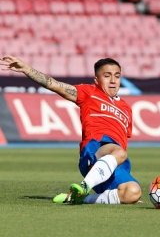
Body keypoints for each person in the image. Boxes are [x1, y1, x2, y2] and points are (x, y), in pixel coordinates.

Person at [0, 56, 142, 205]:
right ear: (96, 79)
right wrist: (27, 69)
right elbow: (53, 84)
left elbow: (122, 140)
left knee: (132, 193)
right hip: (95, 150)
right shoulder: (89, 92)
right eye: (107, 76)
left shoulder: (126, 108)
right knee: (119, 152)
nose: (113, 80)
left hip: (114, 162)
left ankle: (78, 198)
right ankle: (85, 186)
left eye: (117, 76)